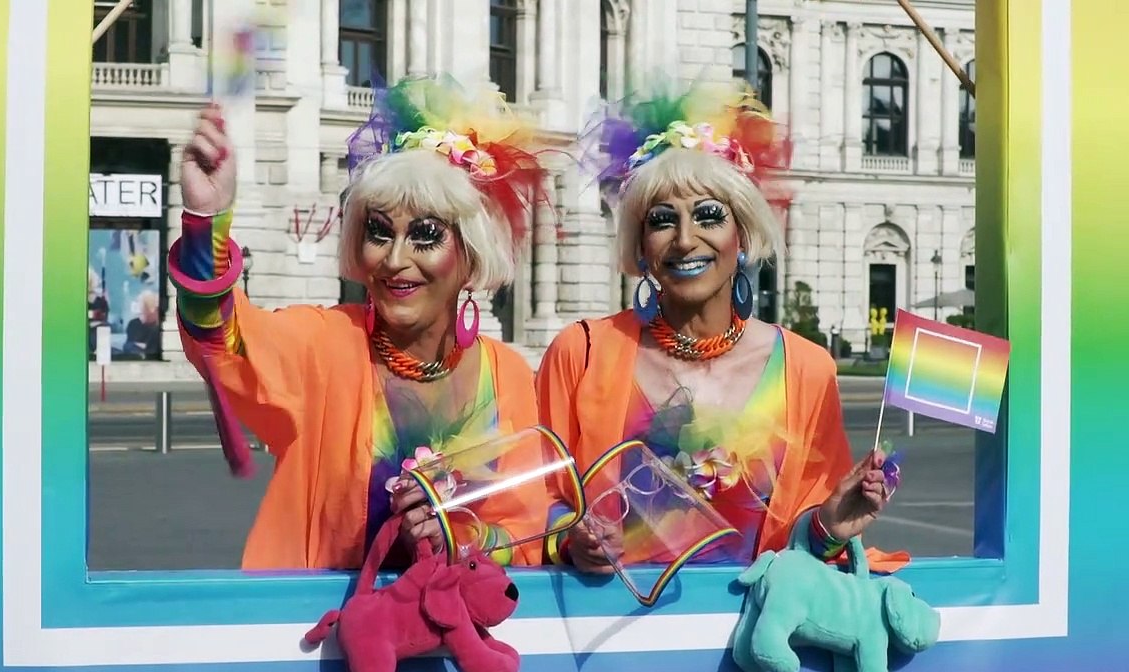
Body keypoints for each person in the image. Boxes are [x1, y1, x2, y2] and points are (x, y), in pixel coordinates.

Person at [170, 77, 555, 570]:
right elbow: (222, 342)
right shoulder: (325, 344)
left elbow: (525, 538)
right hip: (325, 639)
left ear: (471, 252)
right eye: (378, 232)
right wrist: (206, 221)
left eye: (425, 235)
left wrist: (456, 538)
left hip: (457, 641)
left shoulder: (508, 374)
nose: (395, 259)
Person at [536, 80, 908, 574]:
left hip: (753, 639)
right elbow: (532, 498)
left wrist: (830, 527)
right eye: (662, 220)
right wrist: (571, 538)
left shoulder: (807, 368)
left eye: (709, 216)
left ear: (743, 236)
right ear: (641, 246)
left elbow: (808, 549)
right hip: (608, 637)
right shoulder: (579, 353)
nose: (685, 240)